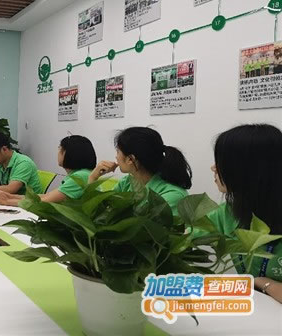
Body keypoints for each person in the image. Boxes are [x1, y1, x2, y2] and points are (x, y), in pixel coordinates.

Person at [209, 124, 282, 303]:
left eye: (222, 162)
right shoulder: (229, 212)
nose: (213, 168)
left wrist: (264, 283)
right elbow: (182, 235)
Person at [88, 126, 192, 214]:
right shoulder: (127, 182)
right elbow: (103, 211)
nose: (116, 157)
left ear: (130, 159)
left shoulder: (172, 194)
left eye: (118, 152)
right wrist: (93, 177)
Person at [0, 135, 96, 206]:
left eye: (60, 149)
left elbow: (44, 202)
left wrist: (8, 201)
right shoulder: (79, 174)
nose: (58, 153)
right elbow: (47, 196)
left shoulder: (80, 177)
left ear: (70, 154)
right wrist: (11, 196)